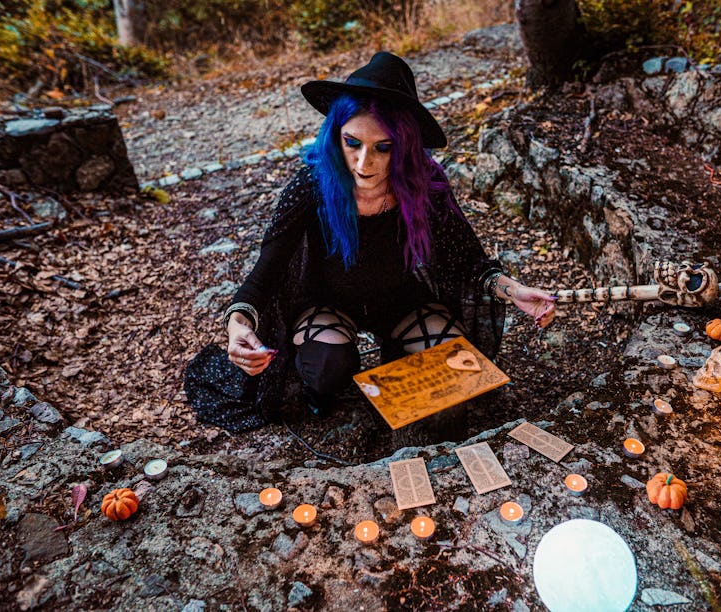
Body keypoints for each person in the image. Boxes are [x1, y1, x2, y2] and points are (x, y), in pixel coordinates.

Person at [185, 51, 556, 431]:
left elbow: (468, 260)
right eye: (352, 143)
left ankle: (397, 359)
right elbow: (268, 266)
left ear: (406, 146)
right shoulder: (311, 185)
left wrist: (512, 291)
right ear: (335, 136)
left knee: (458, 367)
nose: (364, 163)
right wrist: (238, 323)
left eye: (383, 147)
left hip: (404, 302)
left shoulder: (424, 186)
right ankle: (323, 389)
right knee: (326, 369)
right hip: (328, 304)